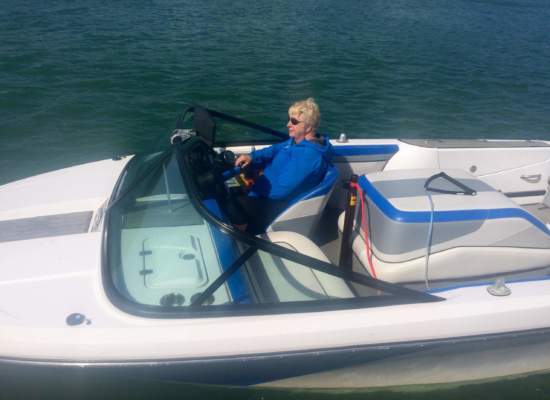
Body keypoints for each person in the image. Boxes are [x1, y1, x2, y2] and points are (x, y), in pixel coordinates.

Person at [231, 98, 332, 234]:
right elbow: (272, 150)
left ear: (308, 127)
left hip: (275, 205)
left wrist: (252, 184)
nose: (288, 124)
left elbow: (280, 191)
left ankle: (242, 236)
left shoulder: (309, 155)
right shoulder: (293, 141)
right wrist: (251, 157)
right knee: (228, 184)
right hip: (263, 189)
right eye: (289, 120)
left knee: (231, 203)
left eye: (294, 122)